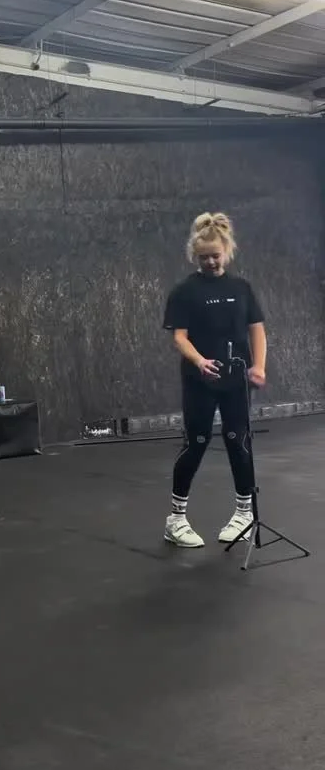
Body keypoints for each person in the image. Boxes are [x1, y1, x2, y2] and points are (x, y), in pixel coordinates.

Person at [162, 212, 267, 548]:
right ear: (195, 255)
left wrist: (259, 366)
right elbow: (179, 337)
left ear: (227, 251)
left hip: (237, 380)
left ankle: (244, 515)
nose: (210, 262)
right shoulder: (185, 291)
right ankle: (176, 520)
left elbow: (256, 330)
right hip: (200, 379)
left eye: (215, 256)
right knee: (197, 442)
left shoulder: (241, 289)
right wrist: (199, 361)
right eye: (204, 257)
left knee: (238, 441)